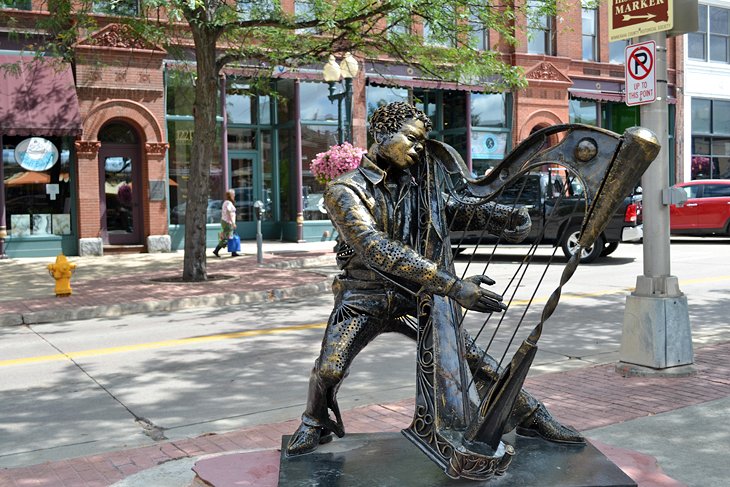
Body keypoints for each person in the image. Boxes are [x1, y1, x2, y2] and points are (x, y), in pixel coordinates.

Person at [286, 102, 583, 457]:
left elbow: (454, 207)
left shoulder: (418, 185)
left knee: (472, 356)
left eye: (421, 143)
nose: (416, 150)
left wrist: (506, 216)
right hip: (363, 296)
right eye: (411, 140)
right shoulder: (344, 190)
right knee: (331, 367)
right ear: (382, 133)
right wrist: (454, 286)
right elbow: (375, 247)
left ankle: (532, 415)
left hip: (417, 292)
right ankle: (314, 421)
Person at [213, 189, 239, 258]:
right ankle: (216, 250)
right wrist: (233, 223)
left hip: (226, 221)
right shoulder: (228, 203)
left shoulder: (226, 202)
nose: (234, 195)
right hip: (228, 222)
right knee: (226, 237)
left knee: (230, 236)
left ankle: (233, 252)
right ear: (230, 195)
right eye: (233, 194)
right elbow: (229, 211)